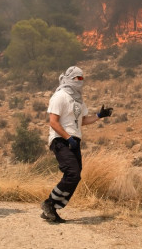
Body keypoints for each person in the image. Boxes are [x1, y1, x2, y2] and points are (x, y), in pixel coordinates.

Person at [40, 66, 113, 223]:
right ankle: (50, 204)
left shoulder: (78, 99)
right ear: (68, 78)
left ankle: (51, 207)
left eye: (82, 78)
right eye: (76, 78)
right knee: (72, 172)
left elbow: (82, 121)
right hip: (61, 140)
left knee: (75, 176)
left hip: (74, 140)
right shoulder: (60, 96)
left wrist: (100, 115)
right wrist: (67, 137)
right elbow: (53, 122)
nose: (80, 81)